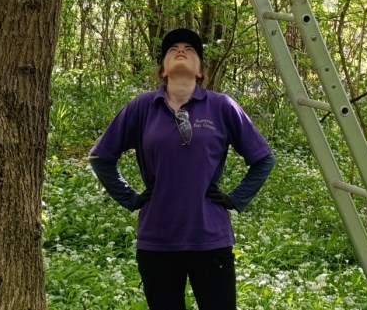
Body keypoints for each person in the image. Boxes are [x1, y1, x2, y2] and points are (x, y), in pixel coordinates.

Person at [89, 27, 275, 310]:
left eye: (190, 49)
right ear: (163, 70)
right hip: (157, 239)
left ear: (200, 71)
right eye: (173, 48)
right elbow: (101, 157)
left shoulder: (221, 106)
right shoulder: (142, 107)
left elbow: (263, 159)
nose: (181, 50)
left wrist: (236, 198)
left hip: (210, 238)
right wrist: (129, 197)